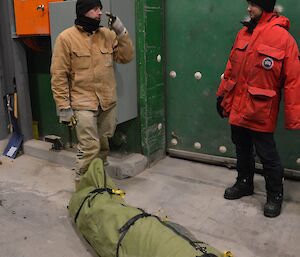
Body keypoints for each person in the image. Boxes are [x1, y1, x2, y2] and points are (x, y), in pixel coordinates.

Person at [216, 0, 300, 217]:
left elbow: (293, 80)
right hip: (238, 105)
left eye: (252, 4)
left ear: (265, 6)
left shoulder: (283, 39)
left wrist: (294, 117)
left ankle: (275, 194)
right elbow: (231, 68)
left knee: (267, 154)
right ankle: (244, 182)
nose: (248, 8)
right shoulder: (243, 33)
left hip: (261, 109)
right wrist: (222, 94)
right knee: (241, 147)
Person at [50, 0, 134, 183]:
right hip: (83, 102)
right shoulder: (66, 38)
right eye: (95, 9)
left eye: (100, 9)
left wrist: (122, 33)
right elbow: (58, 75)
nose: (100, 13)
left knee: (103, 146)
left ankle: (98, 180)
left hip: (107, 101)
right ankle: (82, 187)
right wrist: (64, 107)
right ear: (83, 11)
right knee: (89, 146)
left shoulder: (107, 35)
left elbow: (126, 57)